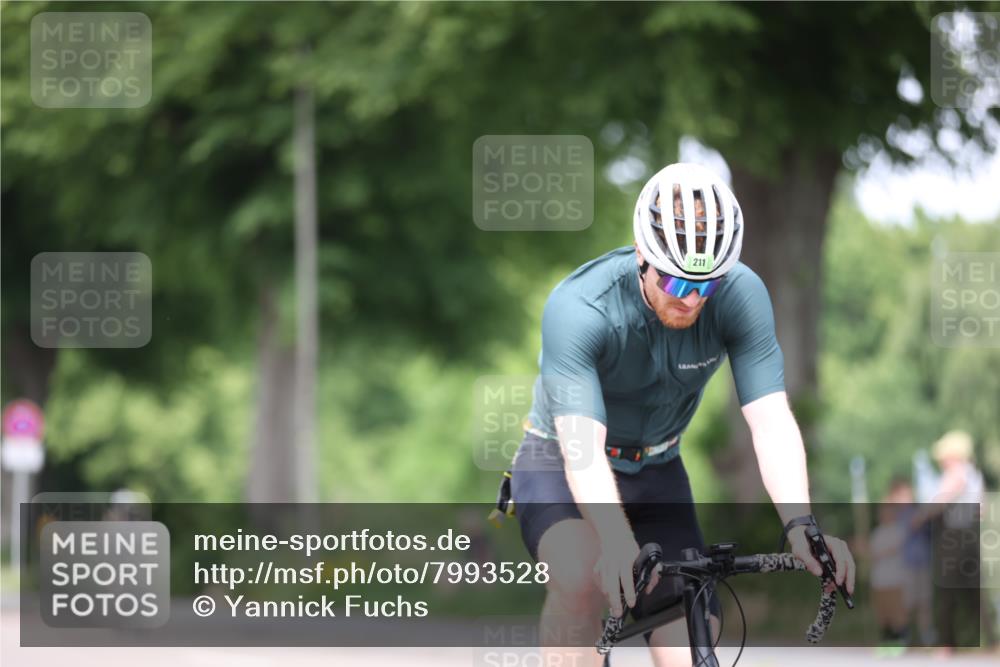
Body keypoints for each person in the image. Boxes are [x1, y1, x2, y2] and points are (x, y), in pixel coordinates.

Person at [509, 163, 856, 667]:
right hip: (560, 460)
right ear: (643, 256)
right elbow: (581, 448)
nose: (691, 299)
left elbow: (771, 422)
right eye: (675, 281)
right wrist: (615, 541)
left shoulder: (742, 296)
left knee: (691, 634)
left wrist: (801, 525)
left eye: (706, 285)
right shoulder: (581, 308)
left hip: (657, 468)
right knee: (580, 574)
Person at [870, 499, 909, 656]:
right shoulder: (877, 532)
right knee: (883, 614)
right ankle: (885, 643)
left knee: (897, 613)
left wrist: (877, 553)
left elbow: (893, 549)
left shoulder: (899, 530)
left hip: (894, 579)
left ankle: (899, 642)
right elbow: (871, 551)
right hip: (879, 580)